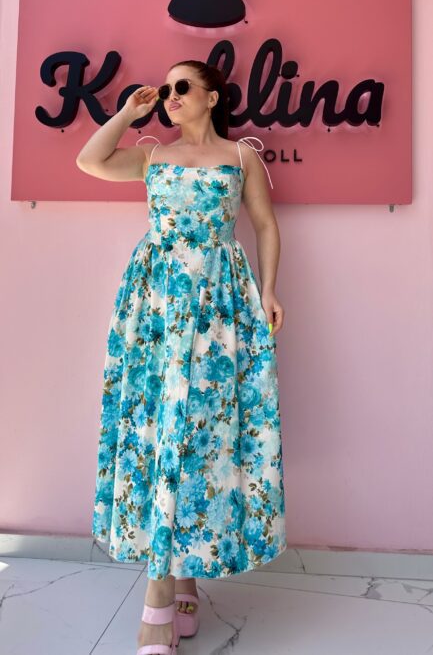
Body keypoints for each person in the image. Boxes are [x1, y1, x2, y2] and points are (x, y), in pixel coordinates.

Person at [76, 60, 287, 655]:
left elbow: (265, 225)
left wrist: (269, 290)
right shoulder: (152, 155)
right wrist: (128, 113)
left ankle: (177, 582)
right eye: (165, 89)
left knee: (201, 435)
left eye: (181, 87)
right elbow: (90, 160)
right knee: (161, 430)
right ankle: (164, 596)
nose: (170, 96)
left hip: (220, 307)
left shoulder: (241, 157)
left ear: (212, 97)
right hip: (156, 309)